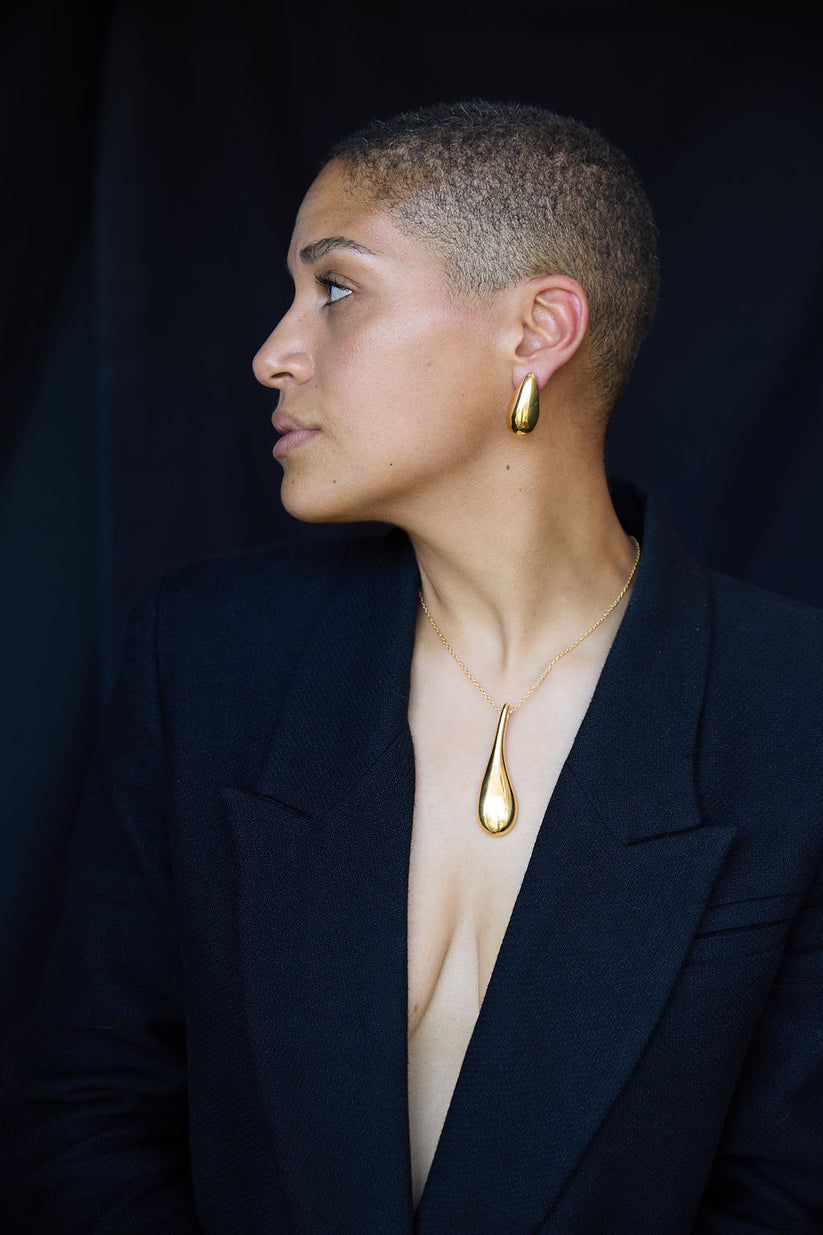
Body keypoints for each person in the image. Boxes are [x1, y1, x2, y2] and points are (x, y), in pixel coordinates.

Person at [2, 100, 822, 1233]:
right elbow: (89, 1107)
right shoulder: (206, 655)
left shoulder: (792, 707)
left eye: (335, 288)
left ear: (537, 331)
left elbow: (792, 1187)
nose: (273, 353)